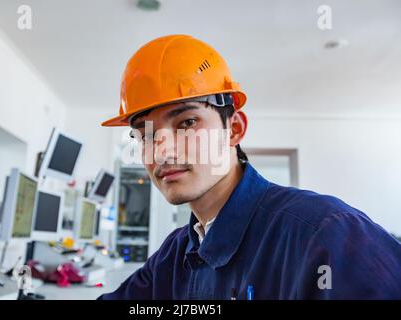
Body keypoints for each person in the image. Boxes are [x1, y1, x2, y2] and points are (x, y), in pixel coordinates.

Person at [98, 34, 401, 299]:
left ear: (233, 129)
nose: (162, 151)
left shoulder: (325, 234)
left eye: (187, 122)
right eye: (146, 134)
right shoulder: (173, 256)